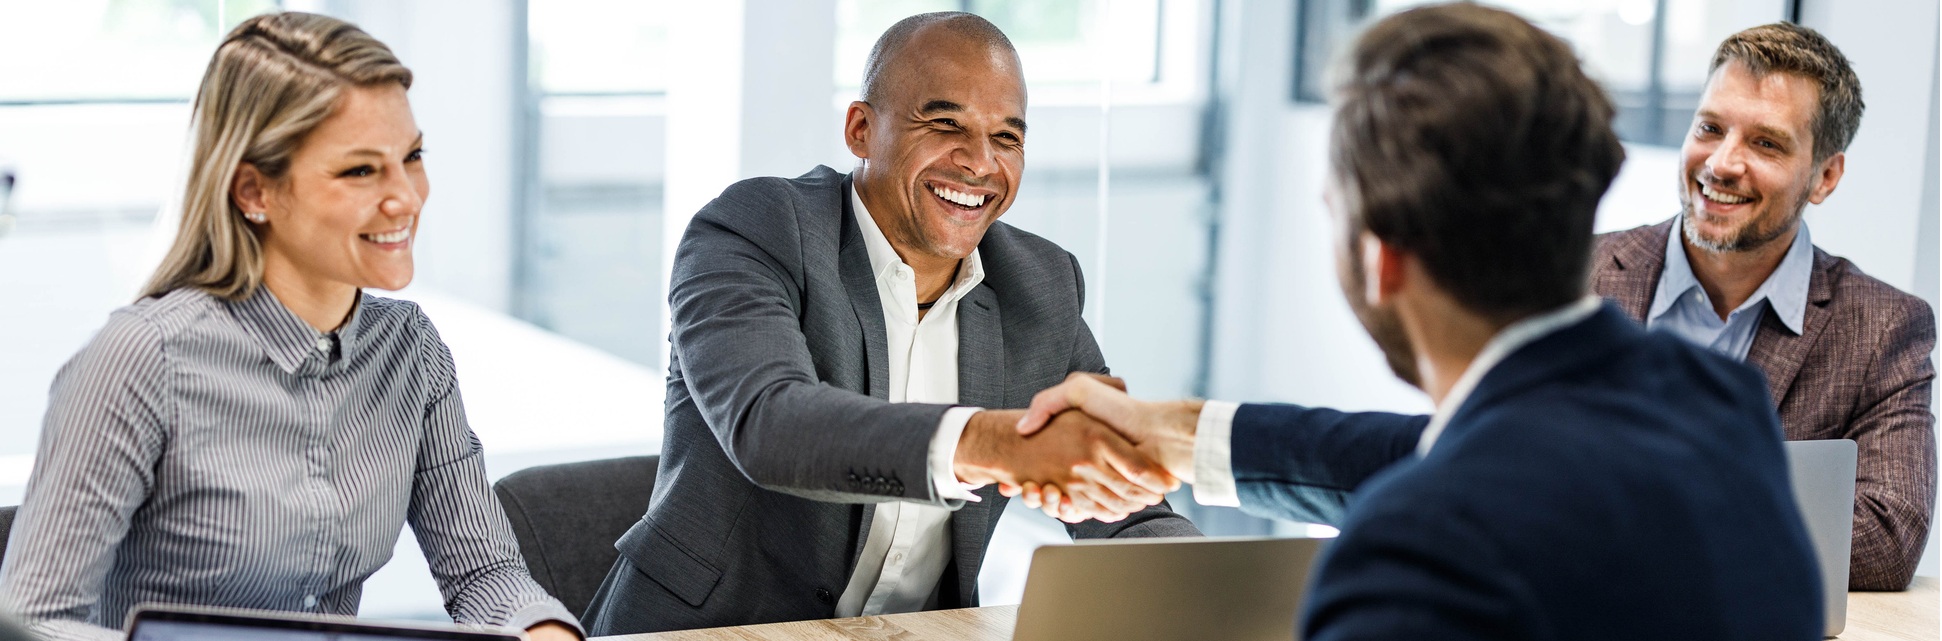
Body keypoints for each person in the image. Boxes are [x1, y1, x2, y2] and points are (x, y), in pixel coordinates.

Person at [1013, 4, 1823, 638]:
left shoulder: (1417, 554)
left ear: (1381, 255)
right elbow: (1441, 453)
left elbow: (1461, 481)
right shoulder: (1713, 402)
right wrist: (1171, 432)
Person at [578, 12, 1196, 636]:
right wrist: (995, 444)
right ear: (861, 129)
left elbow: (1120, 503)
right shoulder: (758, 228)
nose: (981, 164)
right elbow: (770, 423)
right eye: (945, 124)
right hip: (709, 631)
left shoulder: (1040, 283)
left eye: (1007, 138)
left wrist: (1221, 594)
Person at [0, 13, 580, 641]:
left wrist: (545, 631)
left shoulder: (409, 351)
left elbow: (485, 573)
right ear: (254, 191)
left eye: (411, 157)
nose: (407, 197)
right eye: (361, 171)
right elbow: (35, 616)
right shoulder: (144, 359)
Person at [1589, 23, 1934, 591]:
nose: (1722, 164)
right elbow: (1491, 461)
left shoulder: (1883, 327)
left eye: (1765, 143)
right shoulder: (1582, 276)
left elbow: (1886, 536)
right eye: (1710, 128)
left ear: (1825, 176)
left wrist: (1651, 516)